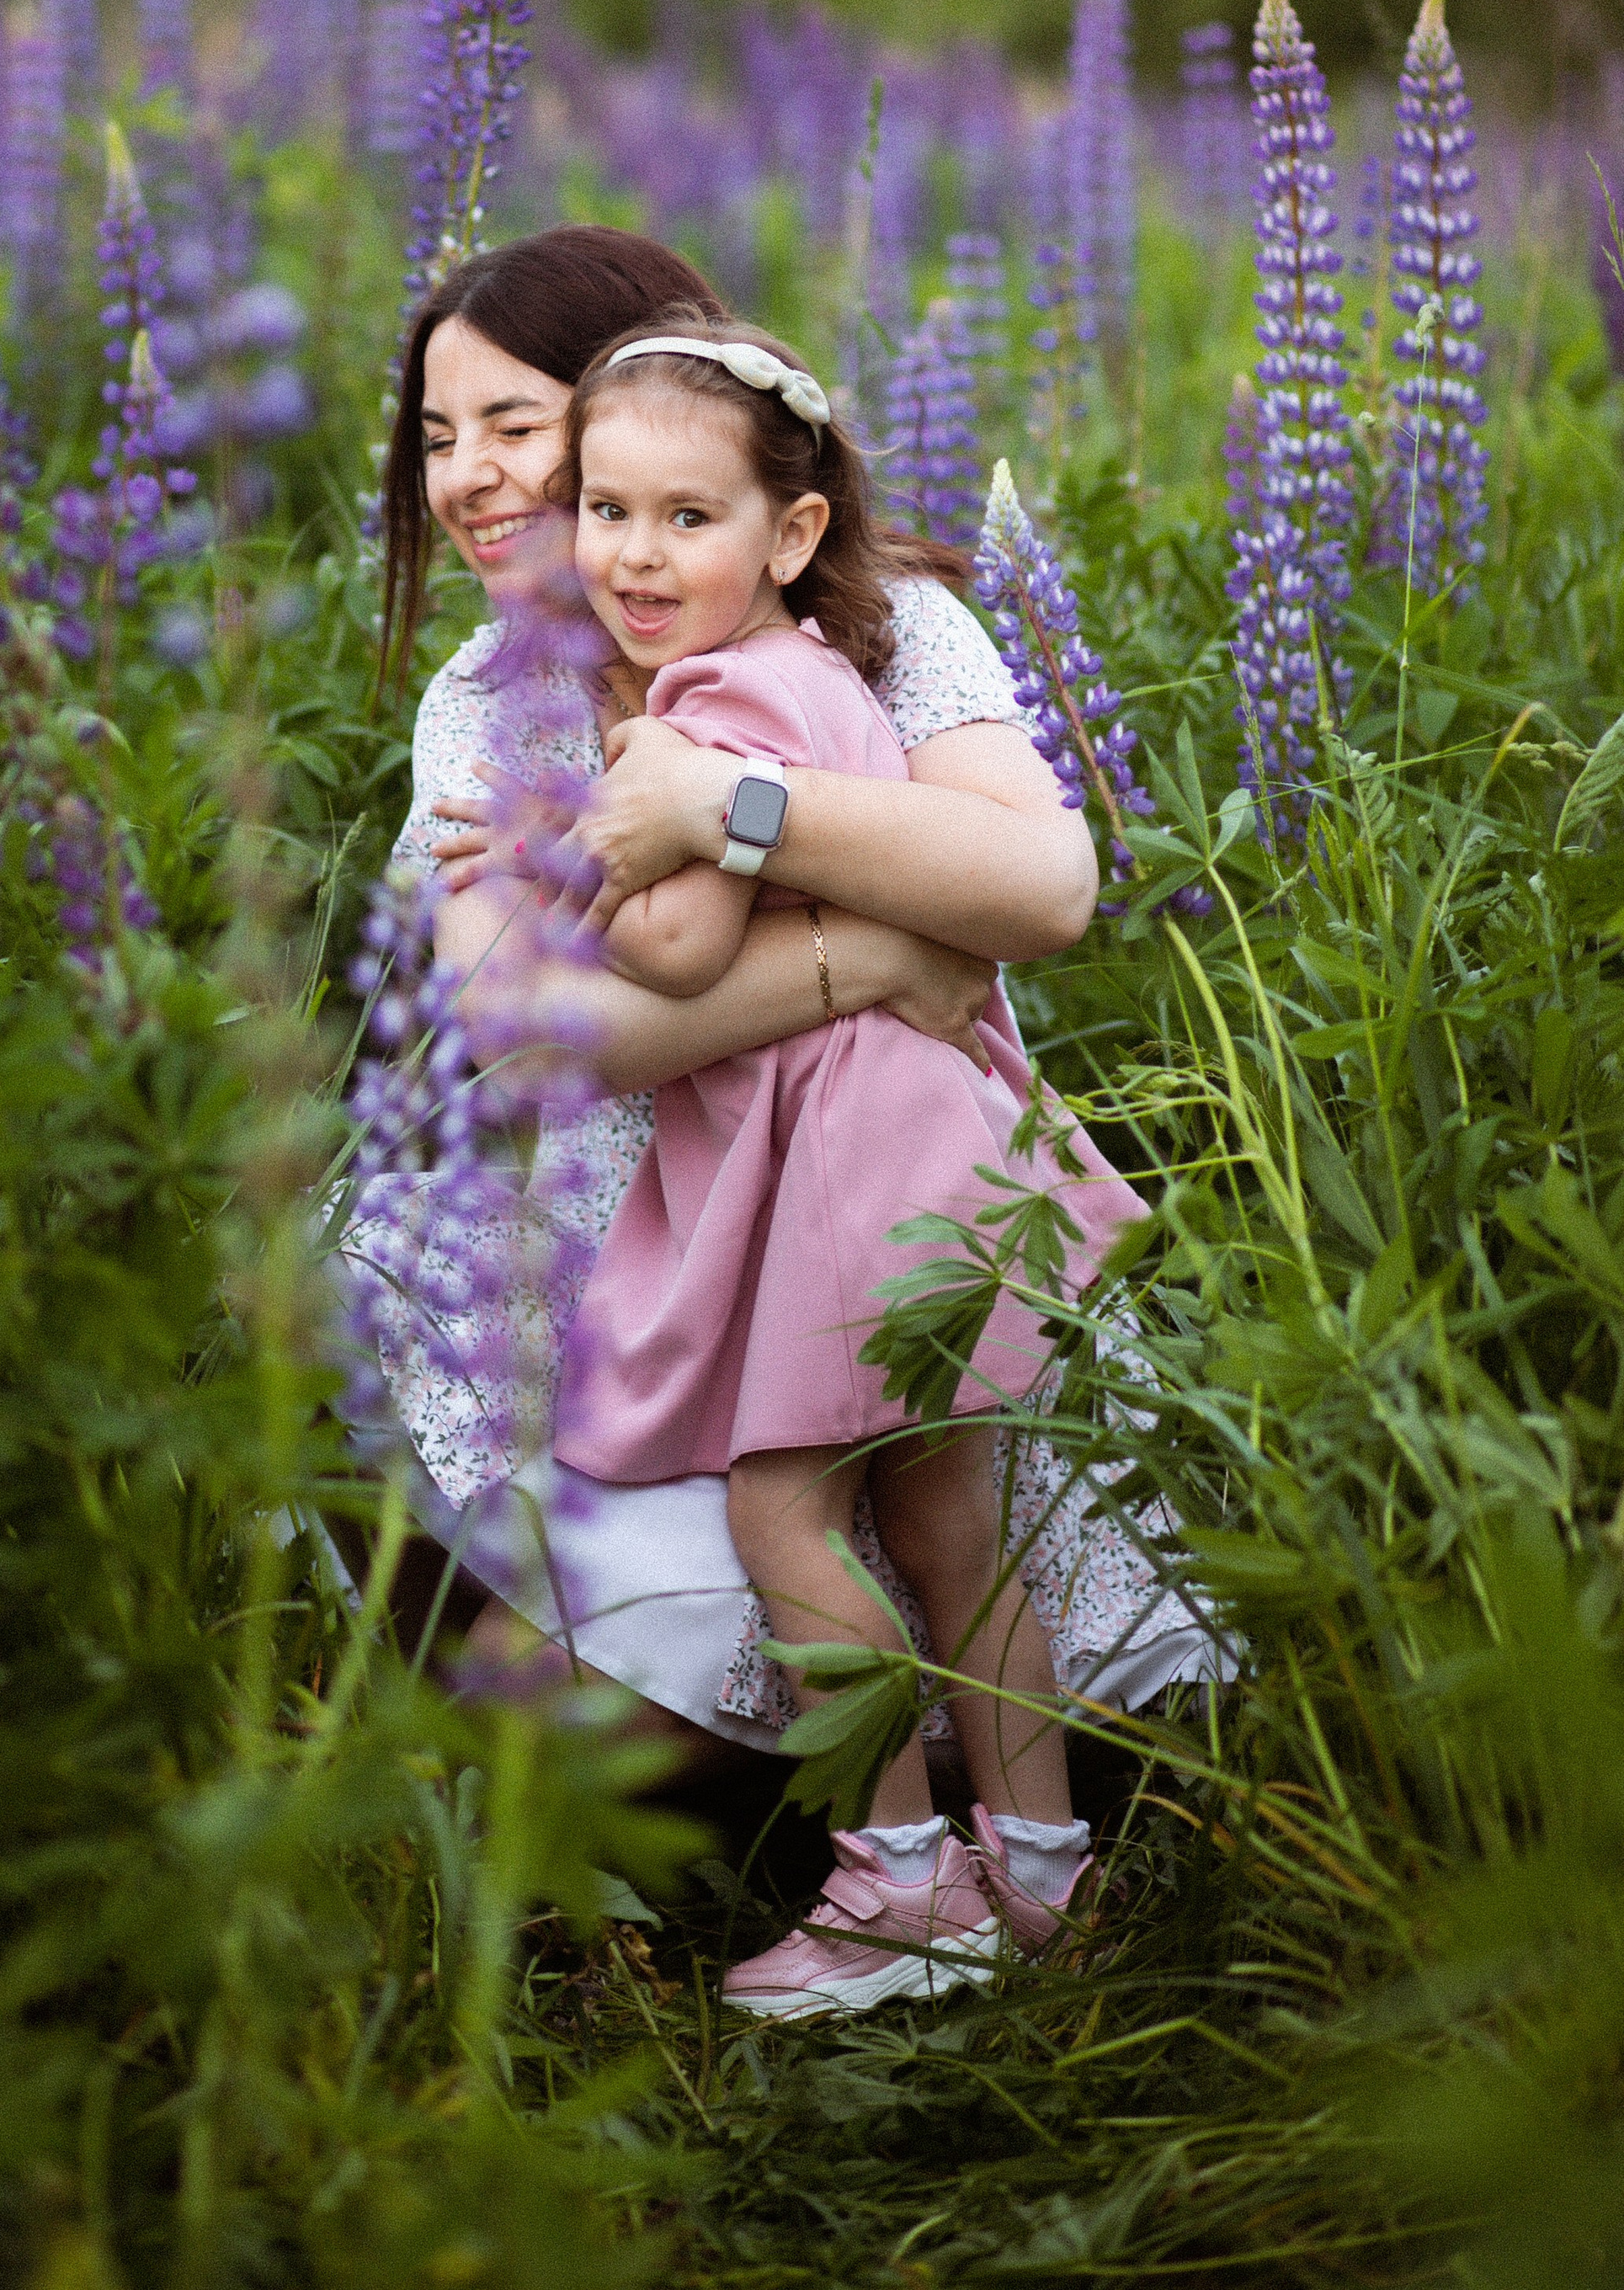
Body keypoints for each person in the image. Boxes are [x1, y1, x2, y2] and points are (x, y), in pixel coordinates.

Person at [343, 225, 1215, 1829]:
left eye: (513, 427)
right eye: (435, 434)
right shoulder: (487, 699)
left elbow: (1039, 886)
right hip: (648, 1280)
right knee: (585, 1691)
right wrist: (872, 957)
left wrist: (715, 801)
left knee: (944, 1536)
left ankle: (963, 1850)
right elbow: (534, 1041)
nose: (464, 476)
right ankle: (875, 1838)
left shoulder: (880, 624)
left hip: (889, 1218)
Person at [550, 317, 1147, 2011]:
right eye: (605, 511)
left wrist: (590, 829)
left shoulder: (703, 705)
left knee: (781, 1509)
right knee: (953, 1511)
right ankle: (1041, 1875)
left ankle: (895, 1883)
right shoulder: (825, 670)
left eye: (685, 517)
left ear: (789, 534)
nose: (634, 554)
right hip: (929, 1125)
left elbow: (667, 953)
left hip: (837, 1150)